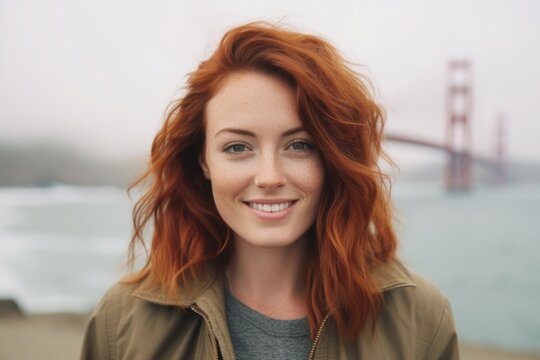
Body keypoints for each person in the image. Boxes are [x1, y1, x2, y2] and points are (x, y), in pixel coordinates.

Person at [81, 22, 459, 359]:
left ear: (332, 158)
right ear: (203, 161)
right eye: (237, 147)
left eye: (299, 145)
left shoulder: (420, 320)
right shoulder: (122, 323)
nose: (269, 177)